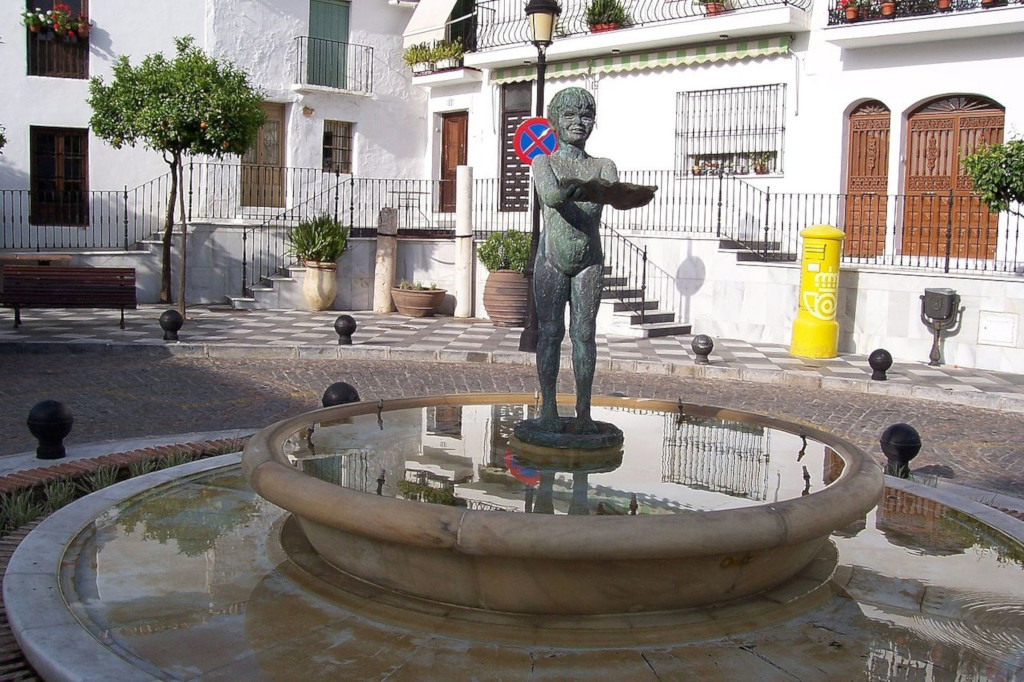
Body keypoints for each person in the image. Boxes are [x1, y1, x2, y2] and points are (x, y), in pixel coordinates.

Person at [530, 87, 652, 434]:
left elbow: (615, 195)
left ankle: (583, 411)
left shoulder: (604, 165)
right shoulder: (544, 163)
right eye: (569, 116)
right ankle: (549, 409)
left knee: (584, 334)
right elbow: (552, 196)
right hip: (551, 259)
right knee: (550, 334)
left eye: (585, 116)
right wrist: (588, 187)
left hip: (589, 260)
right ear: (555, 122)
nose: (578, 122)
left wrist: (628, 194)